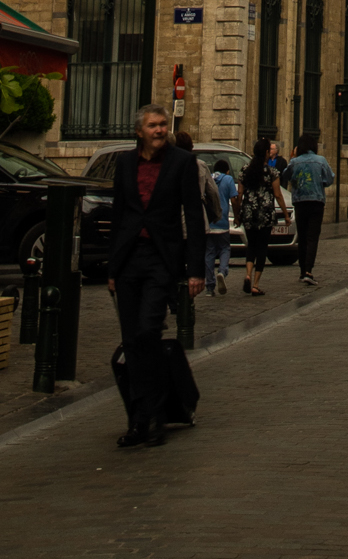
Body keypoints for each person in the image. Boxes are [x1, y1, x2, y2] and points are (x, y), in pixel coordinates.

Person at [106, 103, 205, 448]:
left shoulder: (182, 162)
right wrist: (112, 270)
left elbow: (193, 216)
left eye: (164, 124)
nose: (160, 130)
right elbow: (120, 215)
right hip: (129, 258)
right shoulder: (125, 163)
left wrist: (196, 271)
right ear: (139, 131)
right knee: (132, 341)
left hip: (161, 259)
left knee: (149, 331)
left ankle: (156, 412)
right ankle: (139, 419)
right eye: (153, 125)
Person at [282, 131, 335, 284]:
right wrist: (320, 184)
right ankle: (308, 270)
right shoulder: (321, 160)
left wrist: (293, 161)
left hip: (300, 201)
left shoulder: (295, 162)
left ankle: (301, 270)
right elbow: (330, 178)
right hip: (316, 201)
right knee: (312, 237)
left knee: (303, 237)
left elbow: (285, 176)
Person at [238, 139, 279, 296]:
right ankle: (255, 284)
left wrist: (237, 214)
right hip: (265, 213)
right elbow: (277, 194)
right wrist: (285, 214)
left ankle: (247, 274)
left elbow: (240, 194)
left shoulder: (245, 170)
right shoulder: (271, 172)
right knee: (262, 248)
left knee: (251, 246)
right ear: (267, 153)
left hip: (249, 212)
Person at [173, 131, 223, 225]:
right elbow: (213, 192)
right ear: (191, 147)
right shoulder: (200, 165)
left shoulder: (168, 166)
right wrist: (217, 214)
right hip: (198, 219)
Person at [205, 155, 236, 296]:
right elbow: (234, 200)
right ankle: (222, 271)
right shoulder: (228, 179)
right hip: (222, 220)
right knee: (225, 248)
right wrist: (237, 216)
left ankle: (209, 286)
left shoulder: (209, 178)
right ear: (227, 171)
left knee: (209, 252)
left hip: (209, 221)